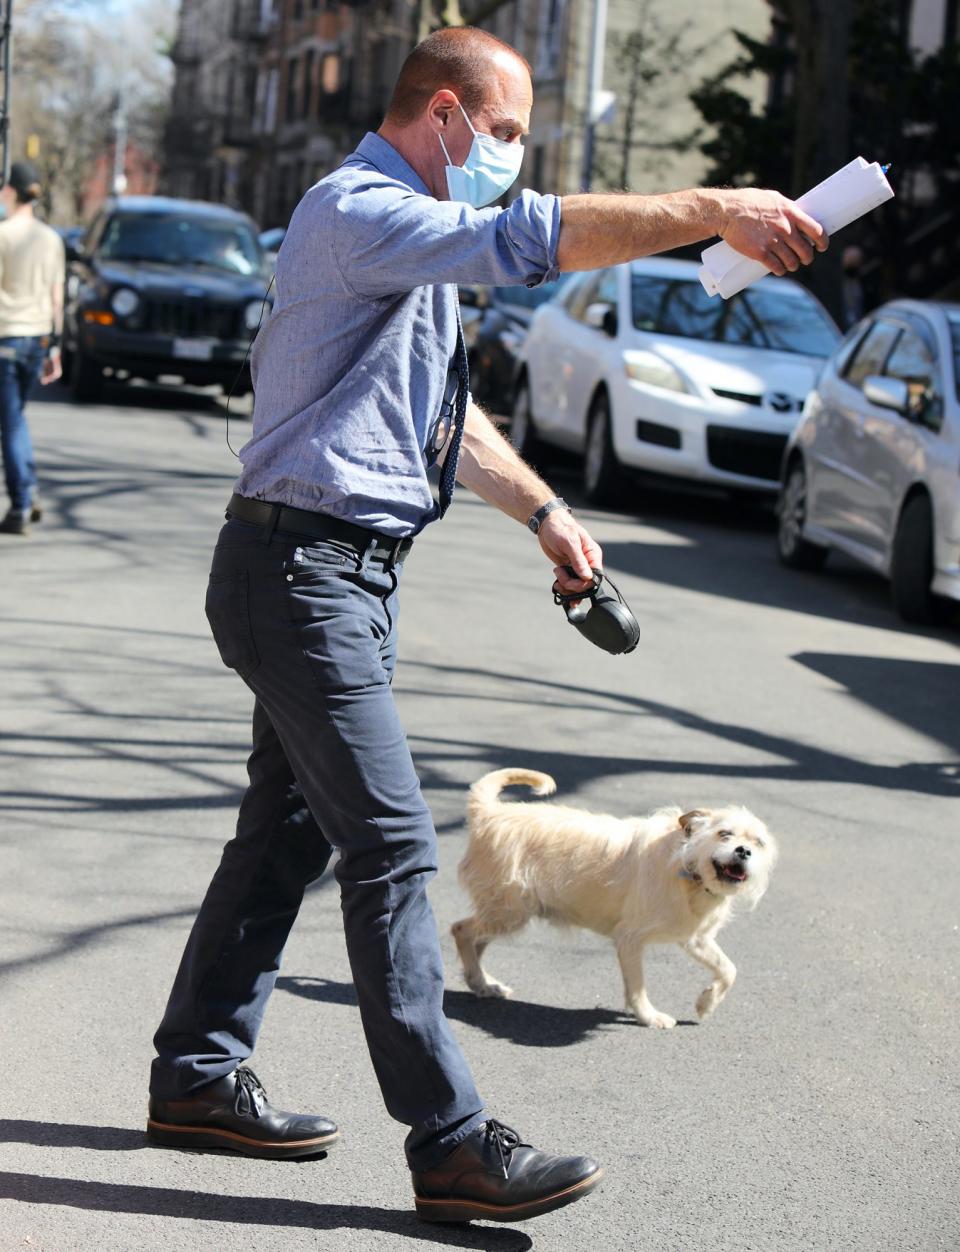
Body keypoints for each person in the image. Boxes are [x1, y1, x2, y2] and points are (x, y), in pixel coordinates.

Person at [146, 27, 826, 1225]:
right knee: (396, 846)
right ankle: (453, 1141)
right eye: (505, 133)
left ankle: (197, 1074)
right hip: (299, 571)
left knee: (285, 835)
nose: (510, 156)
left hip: (332, 572)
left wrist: (547, 513)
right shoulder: (360, 210)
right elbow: (528, 238)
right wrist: (719, 206)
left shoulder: (406, 254)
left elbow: (437, 425)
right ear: (446, 115)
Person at [0, 160, 64, 536]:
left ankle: (21, 502)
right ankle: (29, 490)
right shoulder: (50, 238)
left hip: (8, 336)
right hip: (38, 337)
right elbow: (58, 296)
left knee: (12, 423)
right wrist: (54, 347)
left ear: (10, 191)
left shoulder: (4, 235)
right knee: (16, 418)